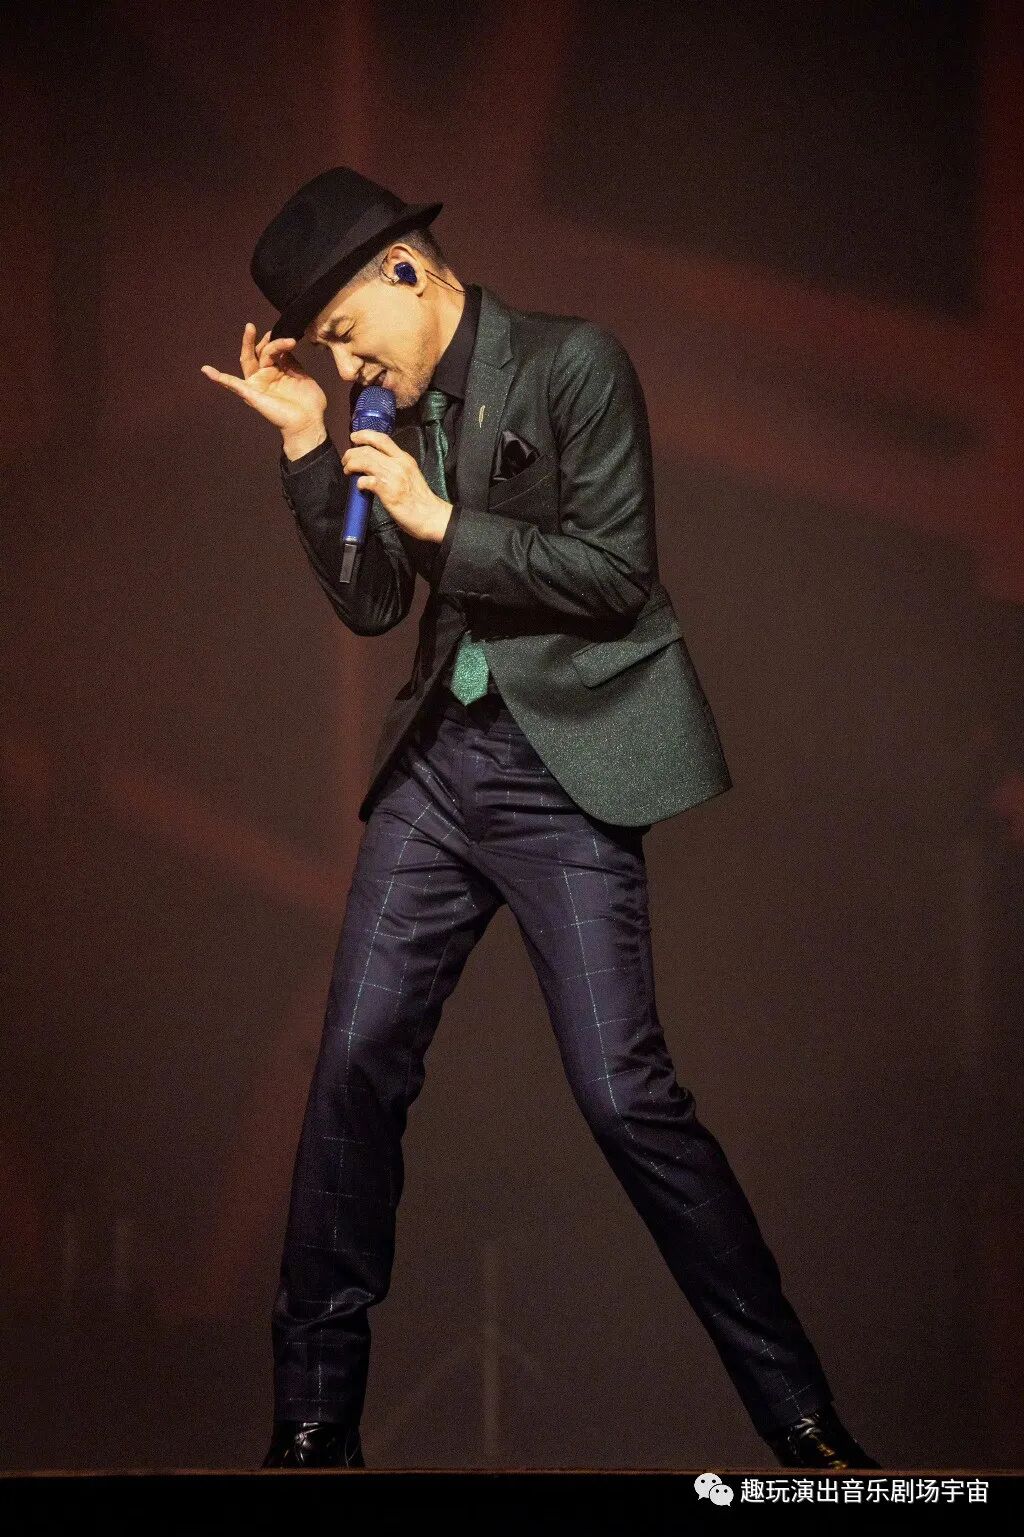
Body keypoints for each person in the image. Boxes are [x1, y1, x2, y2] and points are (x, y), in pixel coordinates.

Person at [201, 167, 879, 1473]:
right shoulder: (382, 412)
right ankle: (313, 1421)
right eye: (326, 351)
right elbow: (370, 605)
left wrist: (444, 519)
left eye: (345, 333)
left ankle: (803, 1423)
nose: (345, 365)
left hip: (562, 774)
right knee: (351, 1068)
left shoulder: (575, 364)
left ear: (406, 270)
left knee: (626, 1098)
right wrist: (305, 447)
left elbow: (618, 576)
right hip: (438, 773)